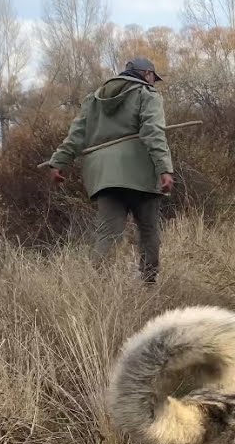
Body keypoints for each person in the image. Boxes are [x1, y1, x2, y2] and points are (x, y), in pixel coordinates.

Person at [47, 57, 175, 283]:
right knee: (148, 231)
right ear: (146, 74)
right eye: (153, 78)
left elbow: (77, 134)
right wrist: (165, 168)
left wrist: (59, 161)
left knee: (107, 234)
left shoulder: (94, 99)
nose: (154, 82)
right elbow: (153, 132)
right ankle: (148, 284)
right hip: (141, 174)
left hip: (104, 176)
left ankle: (98, 288)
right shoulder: (147, 95)